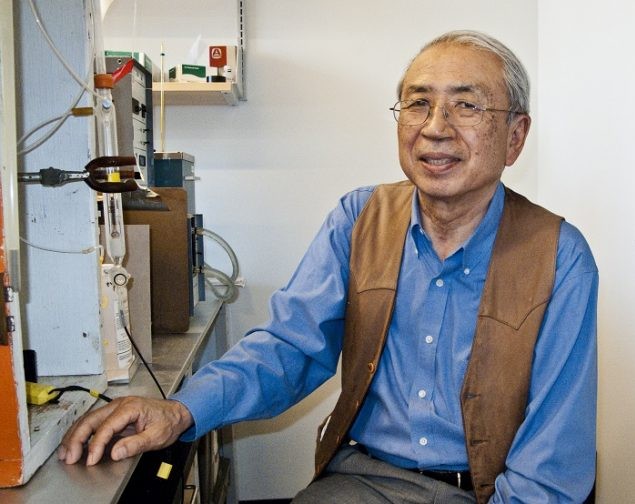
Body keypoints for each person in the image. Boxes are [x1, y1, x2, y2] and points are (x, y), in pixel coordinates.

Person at [59, 30, 597, 503]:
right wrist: (180, 411)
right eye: (418, 104)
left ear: (516, 136)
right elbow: (289, 347)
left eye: (467, 106)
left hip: (490, 492)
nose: (435, 127)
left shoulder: (560, 257)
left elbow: (551, 459)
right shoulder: (357, 219)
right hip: (363, 482)